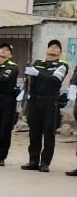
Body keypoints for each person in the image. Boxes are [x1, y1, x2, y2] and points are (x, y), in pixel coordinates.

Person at [21, 39, 69, 174]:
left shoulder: (62, 65)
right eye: (51, 46)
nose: (53, 48)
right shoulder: (37, 63)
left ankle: (45, 163)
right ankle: (33, 161)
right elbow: (29, 81)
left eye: (56, 47)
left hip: (50, 101)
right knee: (34, 132)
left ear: (60, 52)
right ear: (47, 49)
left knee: (48, 132)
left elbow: (55, 80)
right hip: (35, 101)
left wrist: (38, 74)